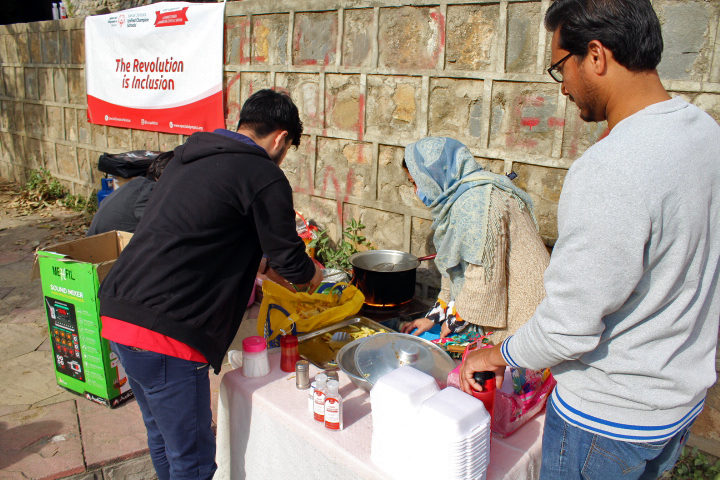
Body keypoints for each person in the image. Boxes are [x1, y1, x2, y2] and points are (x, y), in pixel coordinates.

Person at [459, 1, 720, 478]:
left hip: (607, 420)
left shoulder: (610, 167)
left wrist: (497, 355)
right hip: (676, 405)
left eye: (561, 66)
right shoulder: (704, 133)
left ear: (595, 55)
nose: (564, 88)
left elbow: (569, 325)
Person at [98, 89, 323, 480]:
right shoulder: (263, 173)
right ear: (281, 138)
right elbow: (292, 261)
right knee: (195, 460)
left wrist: (263, 263)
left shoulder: (189, 157)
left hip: (119, 311)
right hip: (166, 330)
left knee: (163, 435)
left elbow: (205, 231)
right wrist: (315, 275)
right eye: (287, 148)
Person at [399, 137, 549, 343]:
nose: (416, 190)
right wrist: (435, 316)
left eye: (416, 182)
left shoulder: (477, 202)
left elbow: (482, 274)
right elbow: (453, 263)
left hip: (526, 309)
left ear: (433, 175)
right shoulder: (462, 196)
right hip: (513, 301)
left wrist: (453, 320)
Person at [86, 151, 173, 236]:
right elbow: (160, 226)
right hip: (107, 247)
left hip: (99, 243)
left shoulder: (139, 183)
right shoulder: (150, 191)